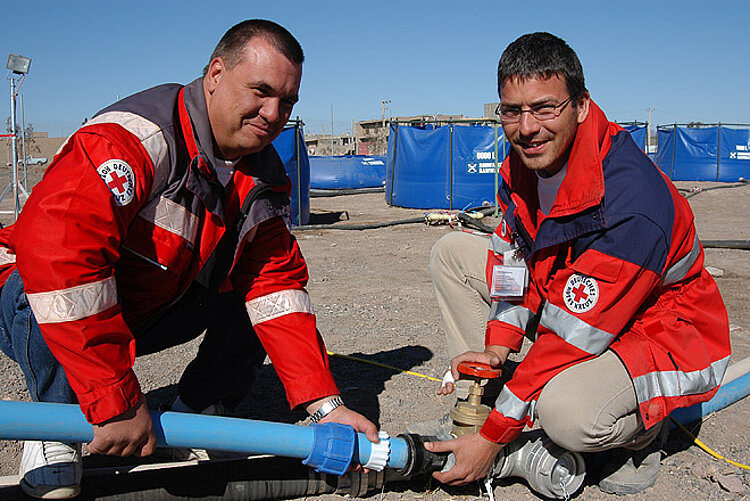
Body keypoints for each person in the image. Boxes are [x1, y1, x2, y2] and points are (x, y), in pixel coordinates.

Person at [0, 19, 378, 500]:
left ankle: (201, 418)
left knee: (254, 297)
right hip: (27, 301)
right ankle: (57, 428)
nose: (273, 113)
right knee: (40, 284)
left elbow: (276, 287)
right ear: (216, 74)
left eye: (287, 101)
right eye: (261, 91)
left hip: (137, 304)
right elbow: (61, 262)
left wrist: (327, 407)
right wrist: (113, 398)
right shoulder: (134, 140)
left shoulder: (259, 171)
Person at [420, 32, 730, 495]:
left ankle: (642, 435)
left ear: (581, 105)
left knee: (567, 414)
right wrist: (499, 348)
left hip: (662, 329)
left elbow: (572, 333)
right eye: (512, 110)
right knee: (452, 254)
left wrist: (492, 438)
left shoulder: (631, 202)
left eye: (545, 108)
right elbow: (513, 260)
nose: (527, 127)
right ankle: (487, 393)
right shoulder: (521, 166)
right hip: (580, 300)